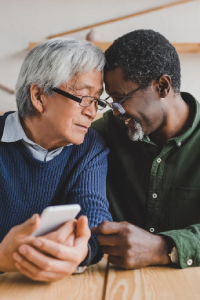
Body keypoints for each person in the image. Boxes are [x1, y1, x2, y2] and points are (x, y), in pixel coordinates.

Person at [0, 38, 112, 281]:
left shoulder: (90, 146)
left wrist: (82, 251)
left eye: (96, 101)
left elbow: (94, 214)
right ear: (39, 96)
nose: (92, 112)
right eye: (83, 97)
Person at [92, 29, 200, 270]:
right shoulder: (103, 134)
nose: (116, 111)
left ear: (162, 86)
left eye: (121, 98)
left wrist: (162, 247)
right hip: (113, 284)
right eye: (112, 102)